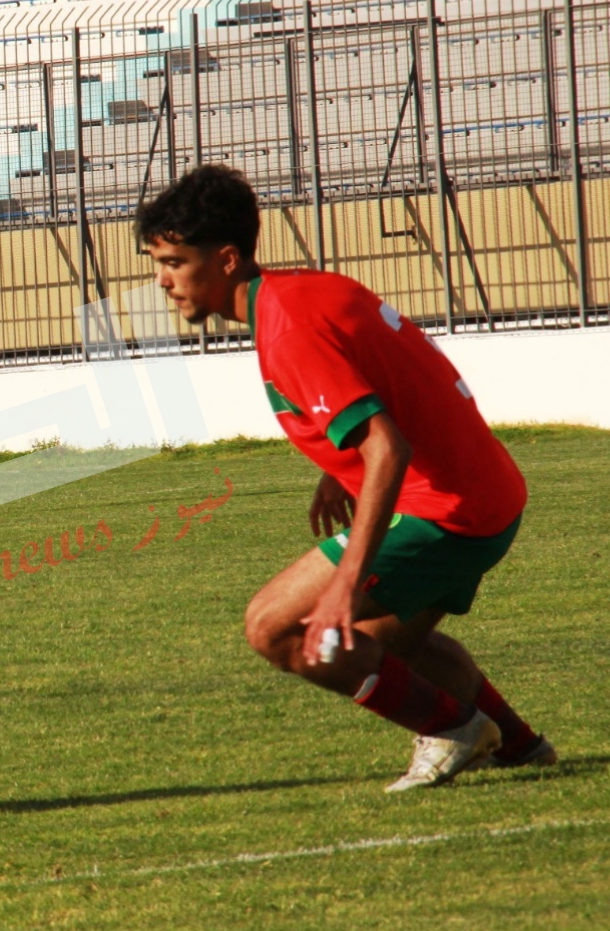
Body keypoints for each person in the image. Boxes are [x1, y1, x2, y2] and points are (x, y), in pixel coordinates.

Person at [136, 164, 554, 792]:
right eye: (156, 261)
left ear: (225, 260)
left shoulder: (287, 327)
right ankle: (521, 747)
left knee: (276, 626)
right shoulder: (301, 291)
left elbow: (386, 446)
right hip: (488, 496)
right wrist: (341, 467)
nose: (163, 281)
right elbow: (391, 387)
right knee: (385, 644)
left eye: (173, 261)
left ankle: (454, 730)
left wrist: (345, 584)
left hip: (446, 511)